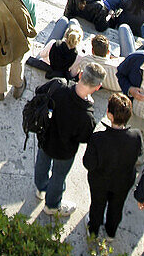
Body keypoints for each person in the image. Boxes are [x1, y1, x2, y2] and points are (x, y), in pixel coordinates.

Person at [34, 63, 105, 216]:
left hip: (46, 138)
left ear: (80, 75)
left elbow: (39, 92)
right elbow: (84, 138)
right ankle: (52, 205)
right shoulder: (88, 117)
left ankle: (40, 188)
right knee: (58, 176)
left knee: (42, 163)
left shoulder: (58, 86)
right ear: (98, 87)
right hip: (65, 150)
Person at [83, 92, 144, 238]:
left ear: (109, 115)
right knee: (117, 207)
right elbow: (139, 155)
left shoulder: (98, 139)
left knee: (97, 206)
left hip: (100, 181)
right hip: (123, 182)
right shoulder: (136, 136)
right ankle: (111, 233)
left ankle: (93, 230)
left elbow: (88, 163)